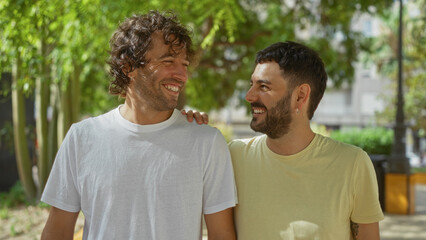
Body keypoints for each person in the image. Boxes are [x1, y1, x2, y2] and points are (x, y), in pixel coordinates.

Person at [40, 11, 236, 240]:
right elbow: (57, 231)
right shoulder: (81, 138)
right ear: (128, 67)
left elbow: (221, 234)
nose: (182, 75)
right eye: (168, 61)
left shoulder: (206, 142)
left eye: (184, 64)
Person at [185, 41, 384, 239]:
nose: (249, 95)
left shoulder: (352, 164)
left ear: (300, 96)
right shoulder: (233, 156)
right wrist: (186, 127)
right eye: (251, 84)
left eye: (263, 86)